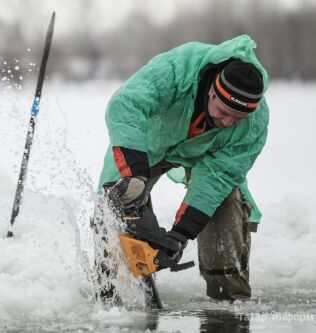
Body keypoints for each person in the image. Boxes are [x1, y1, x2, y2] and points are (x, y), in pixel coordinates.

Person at [98, 35, 268, 302]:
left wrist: (181, 234)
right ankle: (109, 294)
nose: (228, 122)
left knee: (227, 202)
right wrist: (135, 175)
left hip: (206, 155)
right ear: (212, 90)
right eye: (223, 112)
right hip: (147, 146)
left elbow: (217, 178)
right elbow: (125, 105)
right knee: (115, 203)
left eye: (238, 118)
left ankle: (228, 299)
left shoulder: (253, 125)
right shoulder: (177, 69)